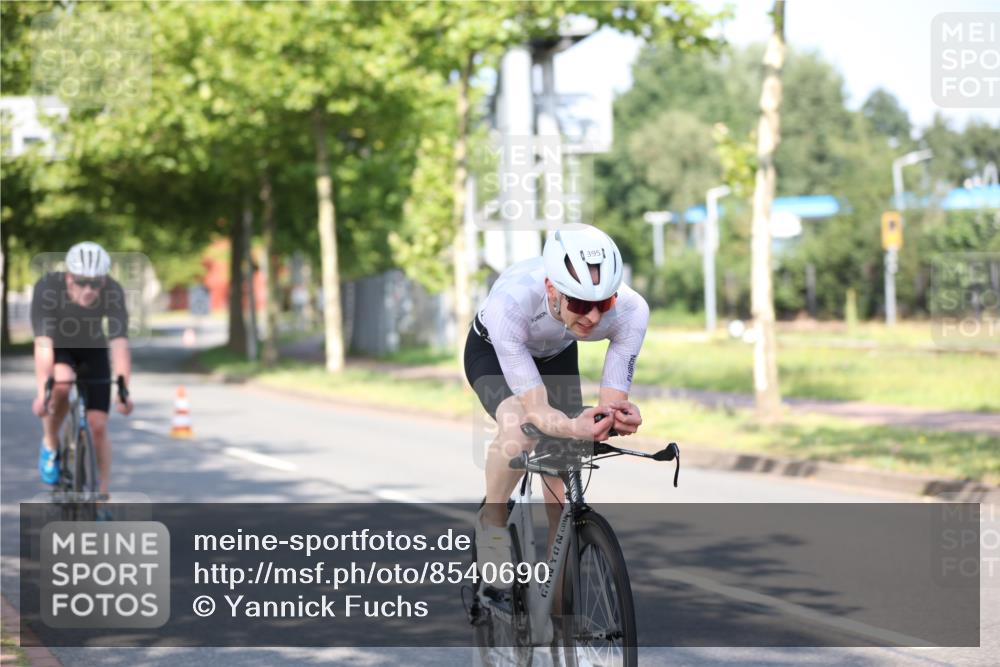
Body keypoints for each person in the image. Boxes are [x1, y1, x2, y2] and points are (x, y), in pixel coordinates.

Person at [464, 224, 649, 583]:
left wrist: (616, 417)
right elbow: (538, 412)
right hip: (493, 352)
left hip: (556, 353)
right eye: (580, 304)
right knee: (521, 429)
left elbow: (611, 404)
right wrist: (571, 425)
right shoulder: (510, 305)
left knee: (562, 484)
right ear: (552, 289)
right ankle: (493, 521)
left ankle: (558, 601)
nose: (593, 317)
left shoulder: (631, 310)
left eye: (604, 303)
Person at [31, 241, 133, 497]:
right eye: (81, 282)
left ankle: (102, 495)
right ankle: (50, 442)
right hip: (59, 346)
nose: (88, 290)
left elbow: (119, 343)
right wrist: (43, 393)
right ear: (69, 277)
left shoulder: (113, 290)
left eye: (95, 284)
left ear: (103, 281)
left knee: (98, 425)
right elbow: (43, 344)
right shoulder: (47, 288)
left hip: (93, 348)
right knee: (62, 382)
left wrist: (123, 389)